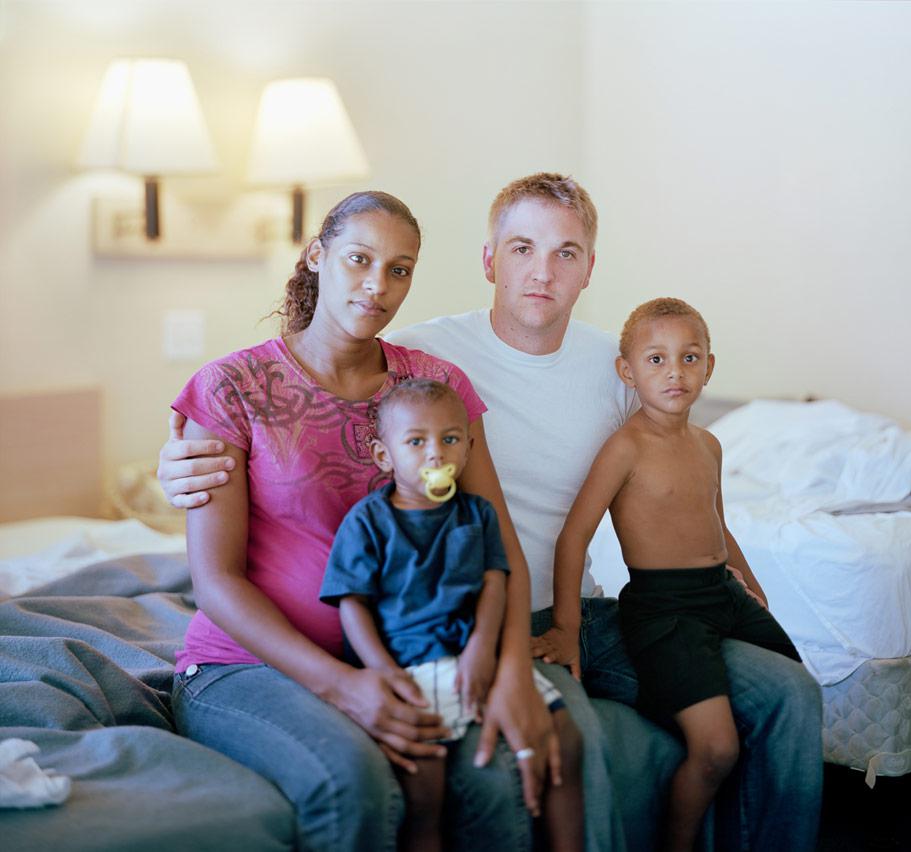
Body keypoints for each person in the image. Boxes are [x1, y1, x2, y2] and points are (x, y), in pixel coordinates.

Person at [159, 173, 824, 851]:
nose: (375, 285)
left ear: (589, 268)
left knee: (786, 693)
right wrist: (172, 463)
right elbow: (220, 559)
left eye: (565, 252)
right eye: (521, 248)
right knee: (552, 743)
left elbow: (676, 467)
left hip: (540, 621)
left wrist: (730, 576)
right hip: (393, 635)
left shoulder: (588, 370)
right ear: (487, 260)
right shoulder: (360, 369)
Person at [167, 190, 560, 852]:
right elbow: (215, 581)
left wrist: (510, 667)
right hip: (246, 666)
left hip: (407, 658)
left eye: (400, 269)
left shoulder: (436, 388)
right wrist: (344, 687)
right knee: (351, 780)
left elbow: (498, 544)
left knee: (497, 779)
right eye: (359, 259)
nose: (378, 286)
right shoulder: (230, 387)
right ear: (317, 256)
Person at [553, 298, 803, 851]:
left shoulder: (708, 444)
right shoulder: (625, 448)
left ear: (709, 367)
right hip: (663, 608)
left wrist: (751, 583)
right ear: (628, 371)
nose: (676, 373)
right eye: (658, 359)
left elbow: (719, 523)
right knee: (714, 748)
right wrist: (567, 626)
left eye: (690, 358)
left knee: (793, 690)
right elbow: (573, 537)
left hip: (721, 593)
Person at [320, 378, 583, 852]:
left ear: (468, 447)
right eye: (416, 441)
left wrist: (485, 646)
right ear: (384, 456)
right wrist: (382, 670)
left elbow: (494, 581)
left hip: (471, 651)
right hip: (412, 664)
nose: (435, 454)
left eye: (450, 439)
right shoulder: (368, 521)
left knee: (567, 736)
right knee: (426, 790)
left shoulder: (476, 514)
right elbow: (352, 605)